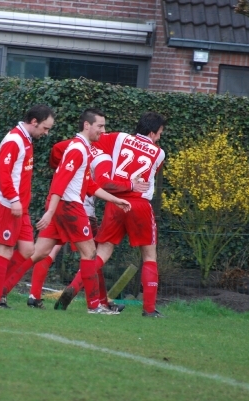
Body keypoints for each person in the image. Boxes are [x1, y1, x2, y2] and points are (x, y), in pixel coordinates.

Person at [0, 108, 132, 315]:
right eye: (100, 126)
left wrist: (116, 199)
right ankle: (95, 306)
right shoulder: (77, 149)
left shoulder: (83, 148)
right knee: (90, 253)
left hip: (63, 208)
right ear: (87, 125)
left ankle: (1, 291)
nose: (103, 131)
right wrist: (50, 212)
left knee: (38, 252)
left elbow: (89, 186)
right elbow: (59, 183)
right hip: (70, 208)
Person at [54, 111, 167, 318]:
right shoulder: (159, 153)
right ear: (152, 133)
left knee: (101, 254)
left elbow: (94, 140)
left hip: (115, 203)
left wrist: (103, 164)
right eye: (159, 133)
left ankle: (73, 286)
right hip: (139, 204)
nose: (159, 137)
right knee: (149, 256)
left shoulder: (120, 137)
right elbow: (150, 173)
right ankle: (149, 310)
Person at [26, 138, 149, 309]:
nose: (103, 133)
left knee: (46, 251)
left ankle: (31, 294)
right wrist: (129, 185)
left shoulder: (72, 144)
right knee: (92, 256)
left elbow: (56, 151)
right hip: (81, 210)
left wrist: (59, 168)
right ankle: (96, 301)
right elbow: (103, 183)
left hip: (59, 203)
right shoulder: (102, 157)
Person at [0, 104, 55, 308]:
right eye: (45, 128)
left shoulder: (26, 140)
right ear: (34, 122)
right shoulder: (14, 140)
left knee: (27, 250)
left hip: (19, 207)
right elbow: (3, 174)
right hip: (8, 205)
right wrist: (14, 199)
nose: (46, 133)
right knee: (5, 251)